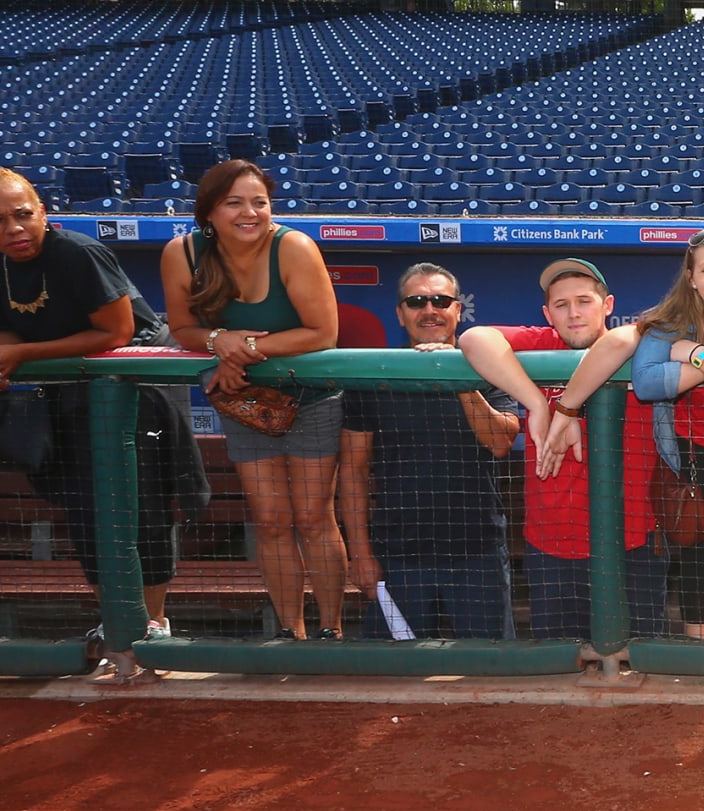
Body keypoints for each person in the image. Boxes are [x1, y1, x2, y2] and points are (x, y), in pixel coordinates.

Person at [0, 167, 209, 642]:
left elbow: (114, 334)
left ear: (43, 212)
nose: (12, 228)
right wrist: (1, 361)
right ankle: (115, 622)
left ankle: (153, 624)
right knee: (87, 508)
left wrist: (20, 355)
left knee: (144, 507)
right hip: (67, 382)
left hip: (135, 381)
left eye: (22, 214)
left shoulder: (77, 251)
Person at [545, 231, 704, 643]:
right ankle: (698, 651)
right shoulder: (674, 316)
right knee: (694, 554)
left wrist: (693, 354)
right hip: (689, 452)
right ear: (692, 277)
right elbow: (646, 383)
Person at [162, 160, 347, 640]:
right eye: (234, 203)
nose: (250, 213)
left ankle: (331, 630)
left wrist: (240, 349)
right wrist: (215, 340)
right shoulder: (181, 253)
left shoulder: (294, 247)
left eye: (259, 202)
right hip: (243, 400)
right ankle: (291, 632)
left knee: (313, 517)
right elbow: (182, 329)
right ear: (209, 212)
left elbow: (323, 333)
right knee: (270, 522)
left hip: (312, 397)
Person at [459, 258, 668, 641]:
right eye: (561, 305)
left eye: (584, 301)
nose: (573, 313)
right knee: (561, 663)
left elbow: (638, 335)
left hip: (631, 544)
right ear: (547, 313)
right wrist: (539, 406)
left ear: (607, 305)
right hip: (552, 545)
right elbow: (473, 339)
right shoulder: (542, 346)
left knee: (637, 660)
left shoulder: (637, 347)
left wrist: (567, 406)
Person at [339, 264, 520, 640]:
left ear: (458, 310)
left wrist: (456, 375)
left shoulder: (488, 370)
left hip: (477, 553)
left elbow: (501, 442)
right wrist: (360, 552)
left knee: (490, 673)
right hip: (397, 557)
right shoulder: (373, 376)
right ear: (400, 314)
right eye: (417, 301)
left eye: (440, 300)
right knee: (393, 680)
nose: (429, 310)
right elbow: (353, 472)